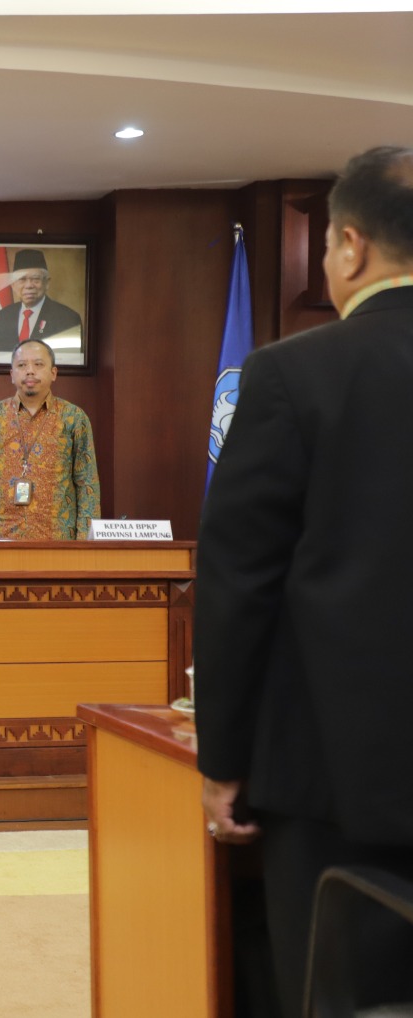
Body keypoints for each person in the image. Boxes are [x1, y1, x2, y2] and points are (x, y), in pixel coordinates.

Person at [197, 146, 413, 1018]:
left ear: (351, 246)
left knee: (337, 990)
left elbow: (239, 581)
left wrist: (223, 760)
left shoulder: (293, 373)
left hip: (333, 773)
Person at [0, 337, 99, 539]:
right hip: (0, 541)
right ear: (12, 374)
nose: (30, 371)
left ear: (53, 373)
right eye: (22, 365)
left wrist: (85, 545)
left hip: (58, 543)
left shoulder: (74, 418)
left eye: (38, 364)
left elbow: (87, 486)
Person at [0, 248, 83, 353]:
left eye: (35, 279)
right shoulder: (4, 315)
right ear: (13, 285)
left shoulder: (68, 318)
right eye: (22, 279)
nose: (29, 285)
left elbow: (71, 359)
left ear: (47, 283)